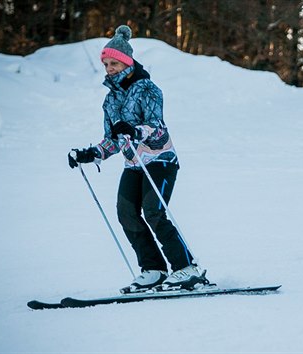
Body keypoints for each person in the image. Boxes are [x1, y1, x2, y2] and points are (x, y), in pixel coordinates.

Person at [67, 25, 206, 292]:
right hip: (134, 164)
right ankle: (153, 269)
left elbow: (157, 127)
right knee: (126, 213)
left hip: (160, 160)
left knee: (153, 212)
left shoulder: (148, 90)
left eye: (114, 63)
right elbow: (113, 140)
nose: (109, 68)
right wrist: (91, 154)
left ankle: (187, 269)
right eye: (106, 63)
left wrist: (135, 130)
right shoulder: (110, 100)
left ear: (127, 62)